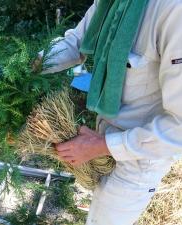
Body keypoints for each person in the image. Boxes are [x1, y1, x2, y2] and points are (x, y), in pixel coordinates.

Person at [36, 0, 182, 224]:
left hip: (138, 159)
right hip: (103, 141)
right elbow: (75, 43)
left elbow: (179, 128)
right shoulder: (109, 2)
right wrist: (31, 64)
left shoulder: (173, 11)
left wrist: (99, 146)